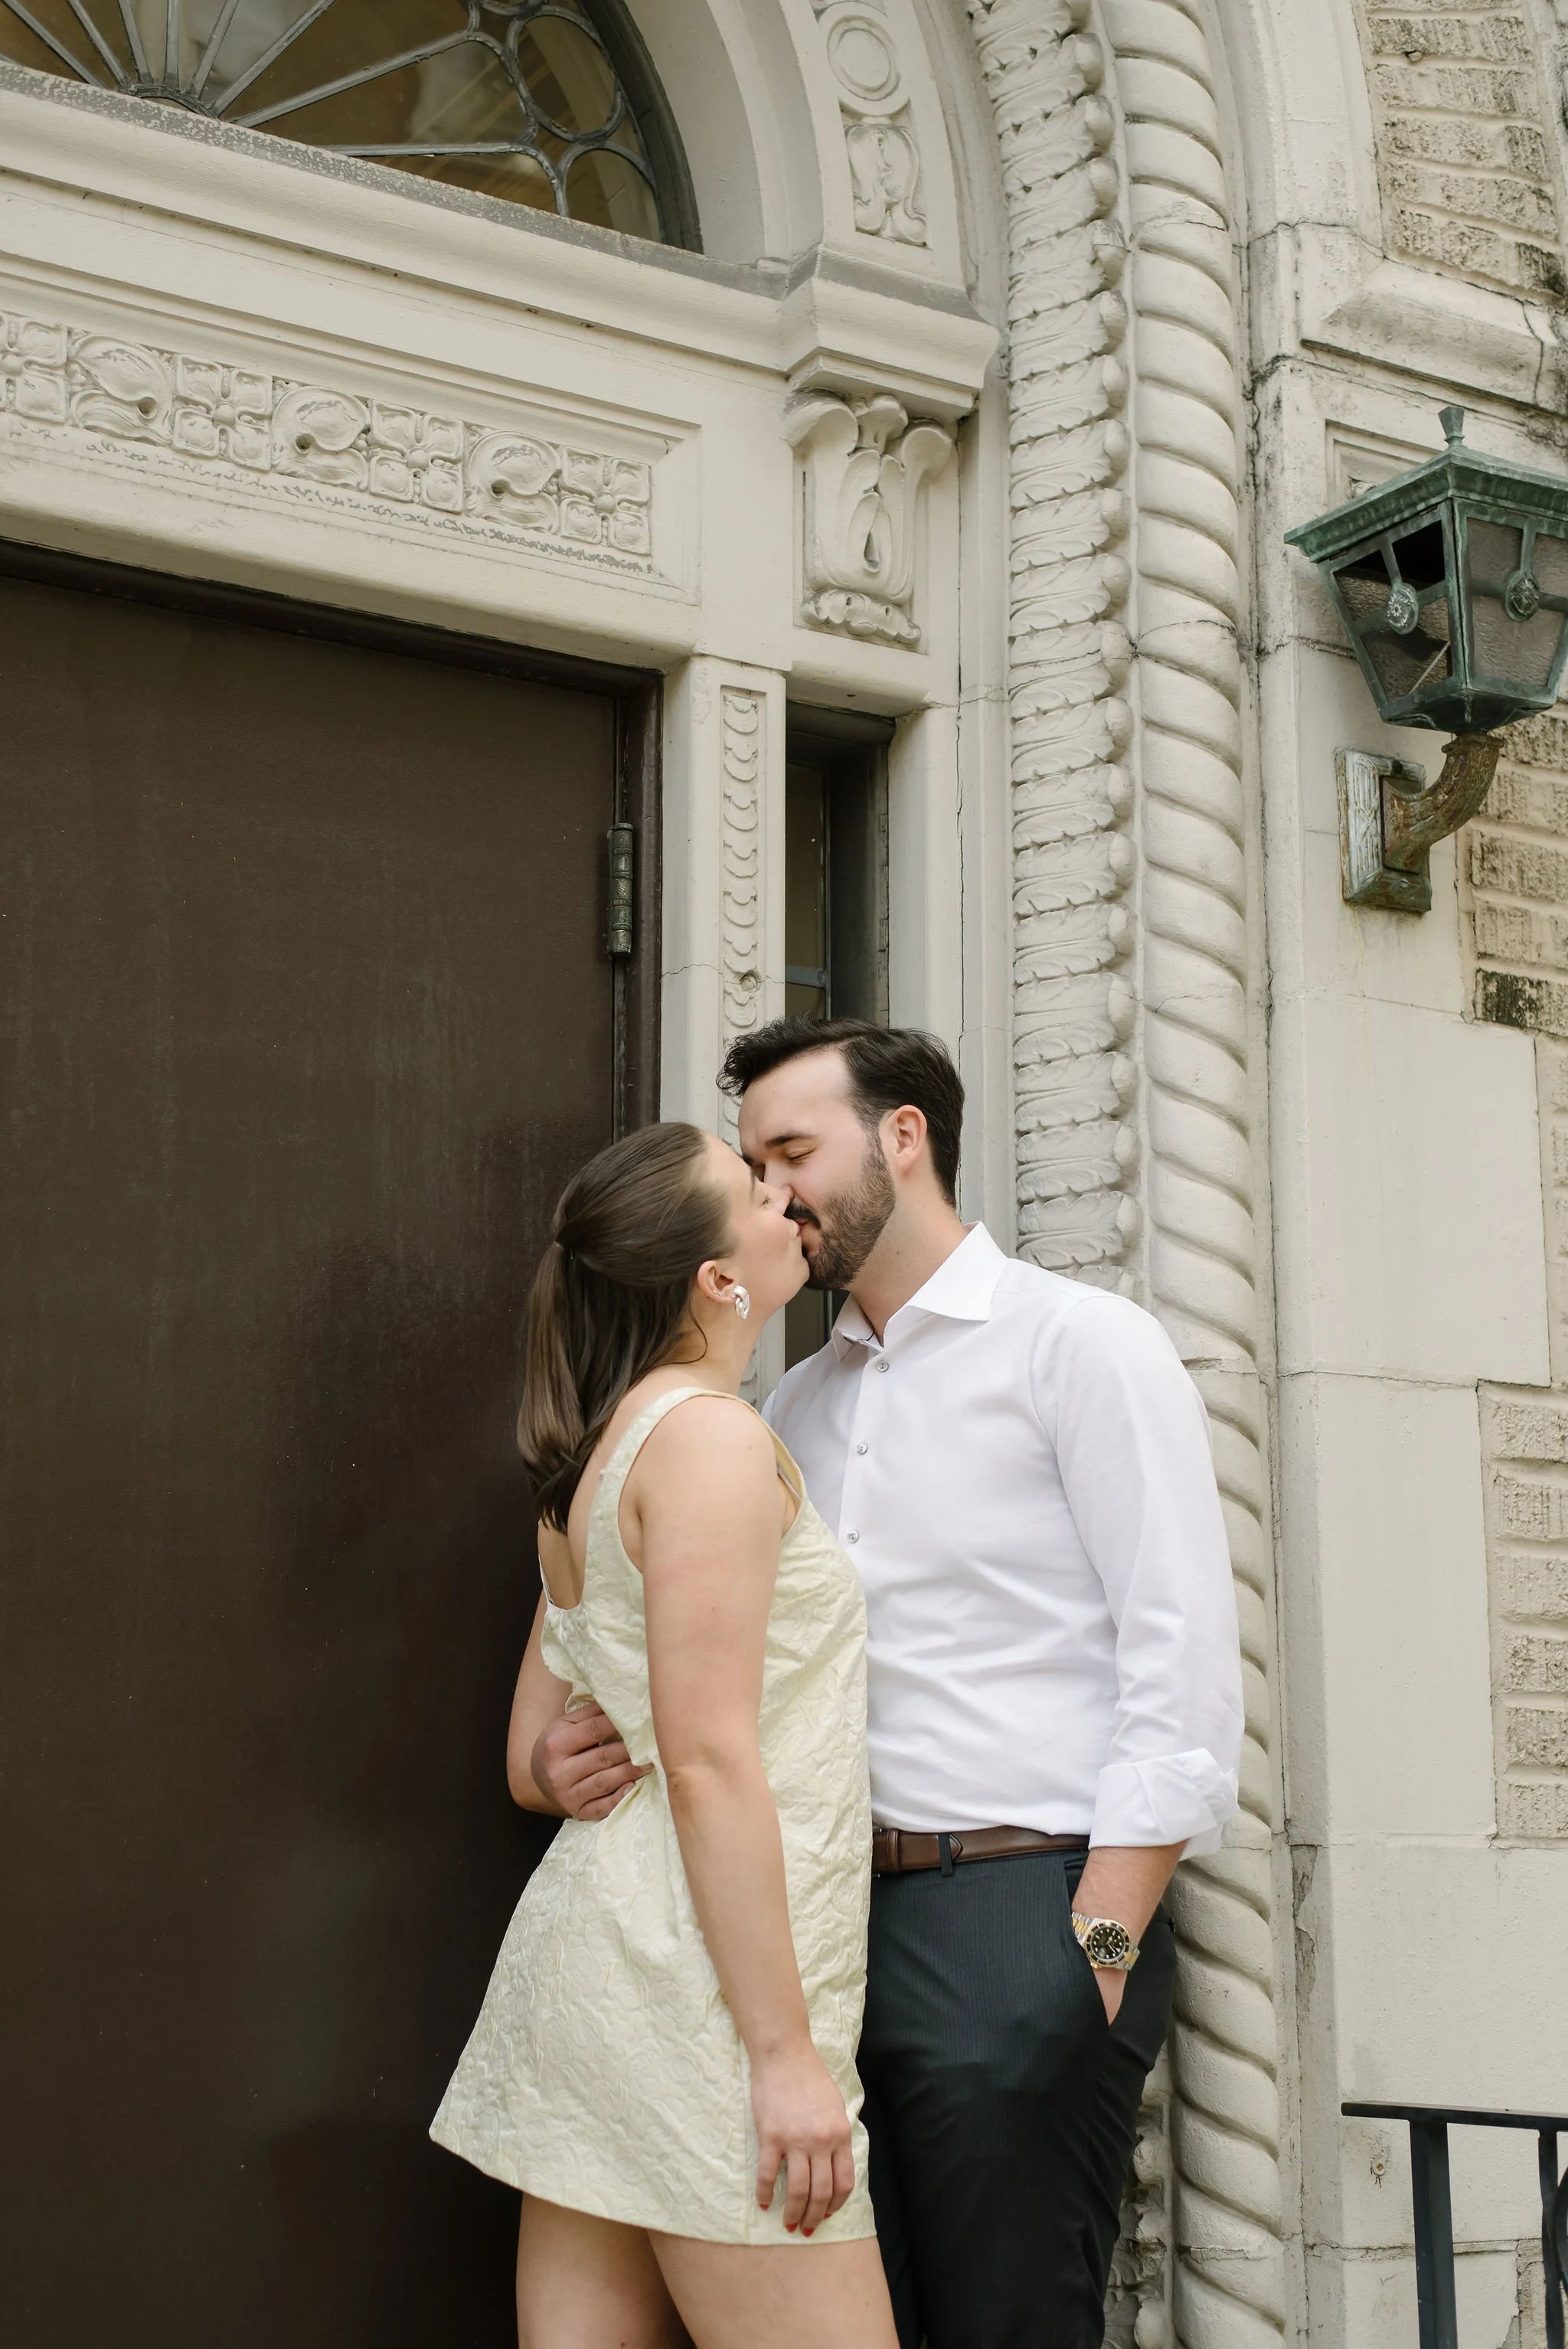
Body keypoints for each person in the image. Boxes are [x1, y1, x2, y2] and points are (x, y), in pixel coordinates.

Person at [532, 1024, 1244, 2349]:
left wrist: (1092, 1952)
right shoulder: (779, 1406)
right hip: (818, 1936)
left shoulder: (1080, 1345)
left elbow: (1184, 1663)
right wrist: (571, 1747)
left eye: (793, 1152)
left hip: (1019, 1911)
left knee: (1009, 2322)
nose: (777, 1189)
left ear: (903, 1138)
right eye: (752, 1166)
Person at [430, 1120, 899, 2349]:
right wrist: (787, 2057)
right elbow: (702, 1757)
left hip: (608, 1973)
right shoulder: (706, 1442)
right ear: (716, 1277)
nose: (780, 1193)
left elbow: (537, 1748)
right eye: (753, 1187)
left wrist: (555, 1769)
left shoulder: (601, 1451)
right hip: (702, 1997)